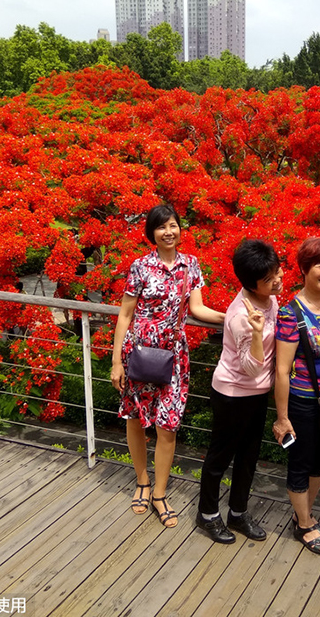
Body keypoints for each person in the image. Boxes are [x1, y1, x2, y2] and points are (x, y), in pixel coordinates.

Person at [111, 204, 225, 528]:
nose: (168, 232)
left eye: (173, 225)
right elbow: (125, 315)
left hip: (174, 354)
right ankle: (142, 482)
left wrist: (230, 317)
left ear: (179, 228)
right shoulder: (140, 267)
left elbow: (198, 309)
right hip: (139, 351)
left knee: (167, 424)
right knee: (135, 418)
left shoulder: (191, 265)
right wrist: (116, 360)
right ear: (152, 233)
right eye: (161, 227)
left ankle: (160, 493)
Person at [196, 240, 284, 544]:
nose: (278, 279)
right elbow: (249, 368)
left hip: (257, 394)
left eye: (277, 270)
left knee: (248, 456)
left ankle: (237, 512)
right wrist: (258, 333)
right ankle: (207, 513)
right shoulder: (241, 317)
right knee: (220, 457)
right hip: (233, 394)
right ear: (252, 284)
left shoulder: (266, 298)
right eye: (270, 277)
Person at [272, 237, 320, 556]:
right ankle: (304, 524)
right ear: (304, 268)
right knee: (301, 462)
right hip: (304, 403)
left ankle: (303, 512)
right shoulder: (292, 313)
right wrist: (282, 417)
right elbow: (282, 369)